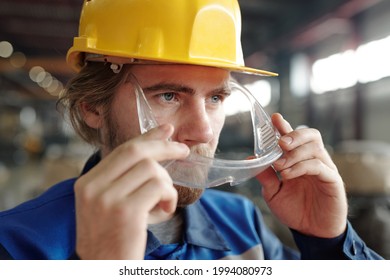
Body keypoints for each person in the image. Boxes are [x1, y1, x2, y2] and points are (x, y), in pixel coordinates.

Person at [0, 0, 383, 260]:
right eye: (168, 96)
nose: (202, 132)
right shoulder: (17, 244)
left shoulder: (240, 223)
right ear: (92, 108)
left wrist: (329, 243)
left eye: (216, 99)